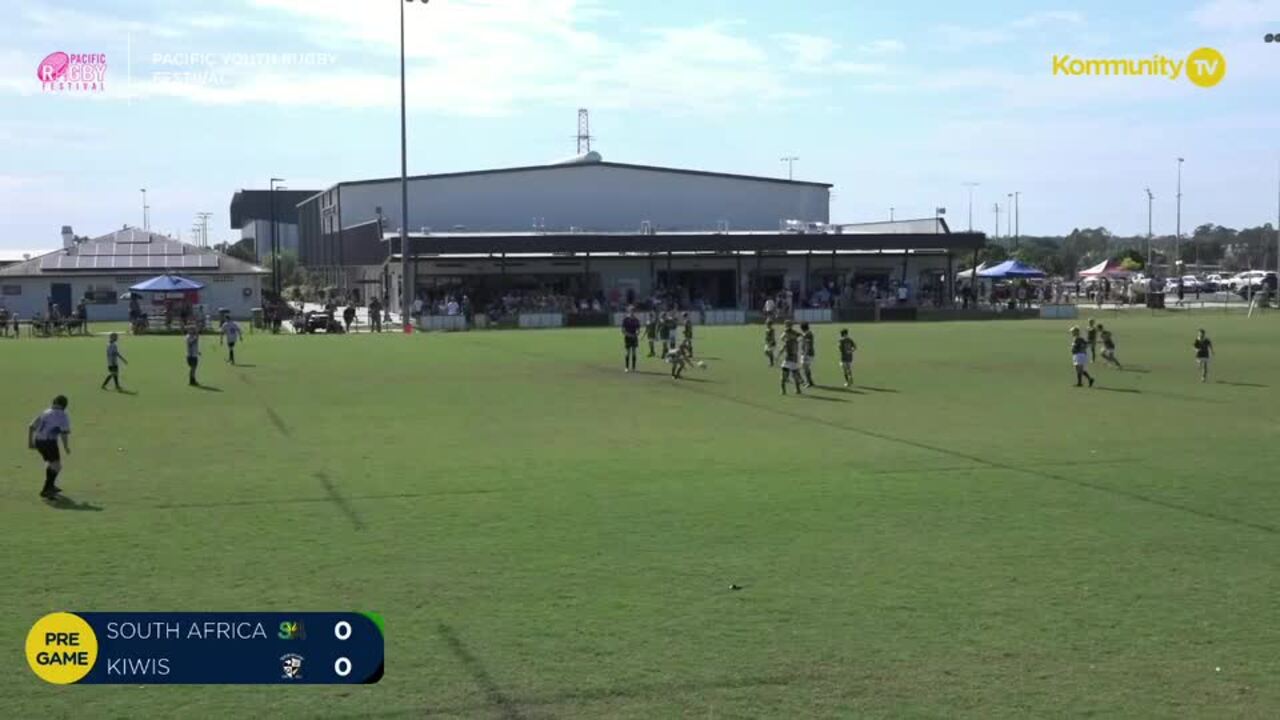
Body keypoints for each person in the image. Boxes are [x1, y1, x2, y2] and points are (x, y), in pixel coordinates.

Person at [28, 395, 71, 499]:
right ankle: (46, 489)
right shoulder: (63, 415)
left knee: (51, 463)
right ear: (64, 405)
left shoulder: (45, 412)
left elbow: (31, 426)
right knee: (57, 466)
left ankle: (50, 486)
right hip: (49, 442)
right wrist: (66, 447)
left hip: (39, 441)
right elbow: (64, 433)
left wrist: (30, 443)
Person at [779, 321, 803, 395]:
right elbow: (782, 339)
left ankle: (786, 390)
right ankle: (795, 390)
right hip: (791, 360)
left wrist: (778, 355)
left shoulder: (791, 339)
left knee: (786, 376)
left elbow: (782, 341)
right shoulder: (792, 339)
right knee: (791, 375)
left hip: (790, 360)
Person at [621, 307, 641, 373]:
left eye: (633, 311)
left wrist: (637, 333)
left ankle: (633, 367)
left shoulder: (636, 320)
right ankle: (626, 367)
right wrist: (629, 335)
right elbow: (623, 330)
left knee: (634, 352)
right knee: (627, 352)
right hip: (628, 337)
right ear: (628, 311)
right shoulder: (625, 319)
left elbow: (638, 329)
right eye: (630, 311)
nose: (632, 312)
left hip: (634, 337)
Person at [799, 322, 816, 388]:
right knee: (806, 368)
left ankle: (809, 382)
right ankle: (810, 381)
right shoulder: (807, 333)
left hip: (807, 353)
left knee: (805, 368)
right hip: (808, 353)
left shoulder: (807, 334)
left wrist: (805, 354)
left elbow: (807, 345)